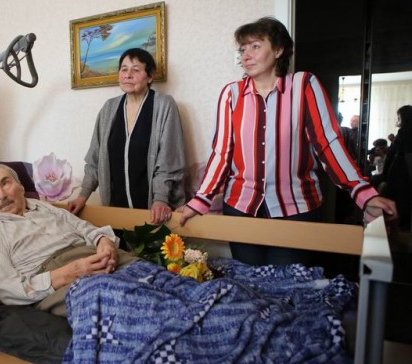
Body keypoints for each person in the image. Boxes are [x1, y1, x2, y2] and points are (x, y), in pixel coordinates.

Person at [179, 17, 397, 266]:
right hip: (240, 207)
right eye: (243, 49)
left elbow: (328, 144)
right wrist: (200, 200)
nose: (246, 55)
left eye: (255, 46)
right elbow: (221, 153)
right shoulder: (232, 94)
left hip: (296, 209)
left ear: (279, 50)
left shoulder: (304, 85)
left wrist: (364, 193)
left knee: (289, 283)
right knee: (248, 282)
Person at [0, 163, 138, 317]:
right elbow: (8, 290)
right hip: (57, 280)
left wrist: (103, 241)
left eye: (5, 183)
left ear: (21, 186)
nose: (1, 195)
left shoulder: (44, 207)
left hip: (96, 255)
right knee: (122, 300)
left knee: (149, 274)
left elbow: (83, 227)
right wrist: (70, 273)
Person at [67, 48, 186, 225]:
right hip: (116, 209)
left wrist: (160, 199)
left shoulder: (164, 105)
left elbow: (169, 159)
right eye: (124, 69)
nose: (128, 75)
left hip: (156, 210)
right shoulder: (109, 108)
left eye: (136, 70)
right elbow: (95, 158)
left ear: (150, 77)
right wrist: (83, 195)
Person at [382, 105, 412, 229]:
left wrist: (385, 175)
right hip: (405, 174)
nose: (397, 120)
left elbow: (393, 155)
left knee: (397, 202)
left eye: (398, 117)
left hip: (400, 173)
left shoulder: (402, 133)